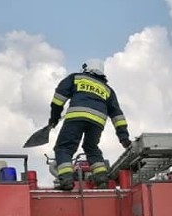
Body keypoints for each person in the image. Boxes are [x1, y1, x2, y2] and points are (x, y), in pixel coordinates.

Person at [47, 59, 132, 190]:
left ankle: (67, 181)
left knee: (64, 148)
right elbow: (117, 115)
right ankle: (102, 179)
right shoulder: (108, 90)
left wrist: (54, 118)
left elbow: (58, 98)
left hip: (76, 117)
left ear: (86, 68)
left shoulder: (76, 78)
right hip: (97, 122)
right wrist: (124, 137)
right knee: (91, 147)